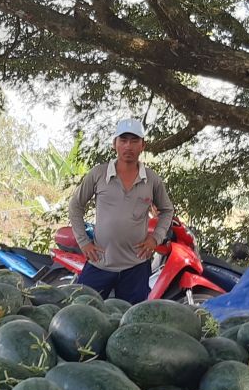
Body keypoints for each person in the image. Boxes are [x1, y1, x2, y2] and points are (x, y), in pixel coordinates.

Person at [66, 118, 175, 302]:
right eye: (123, 140)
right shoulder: (99, 174)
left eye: (134, 141)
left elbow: (167, 210)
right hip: (100, 263)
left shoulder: (151, 179)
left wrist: (155, 238)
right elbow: (75, 205)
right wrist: (83, 241)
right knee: (81, 311)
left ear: (143, 145)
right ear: (114, 144)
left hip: (136, 267)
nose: (128, 146)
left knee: (131, 322)